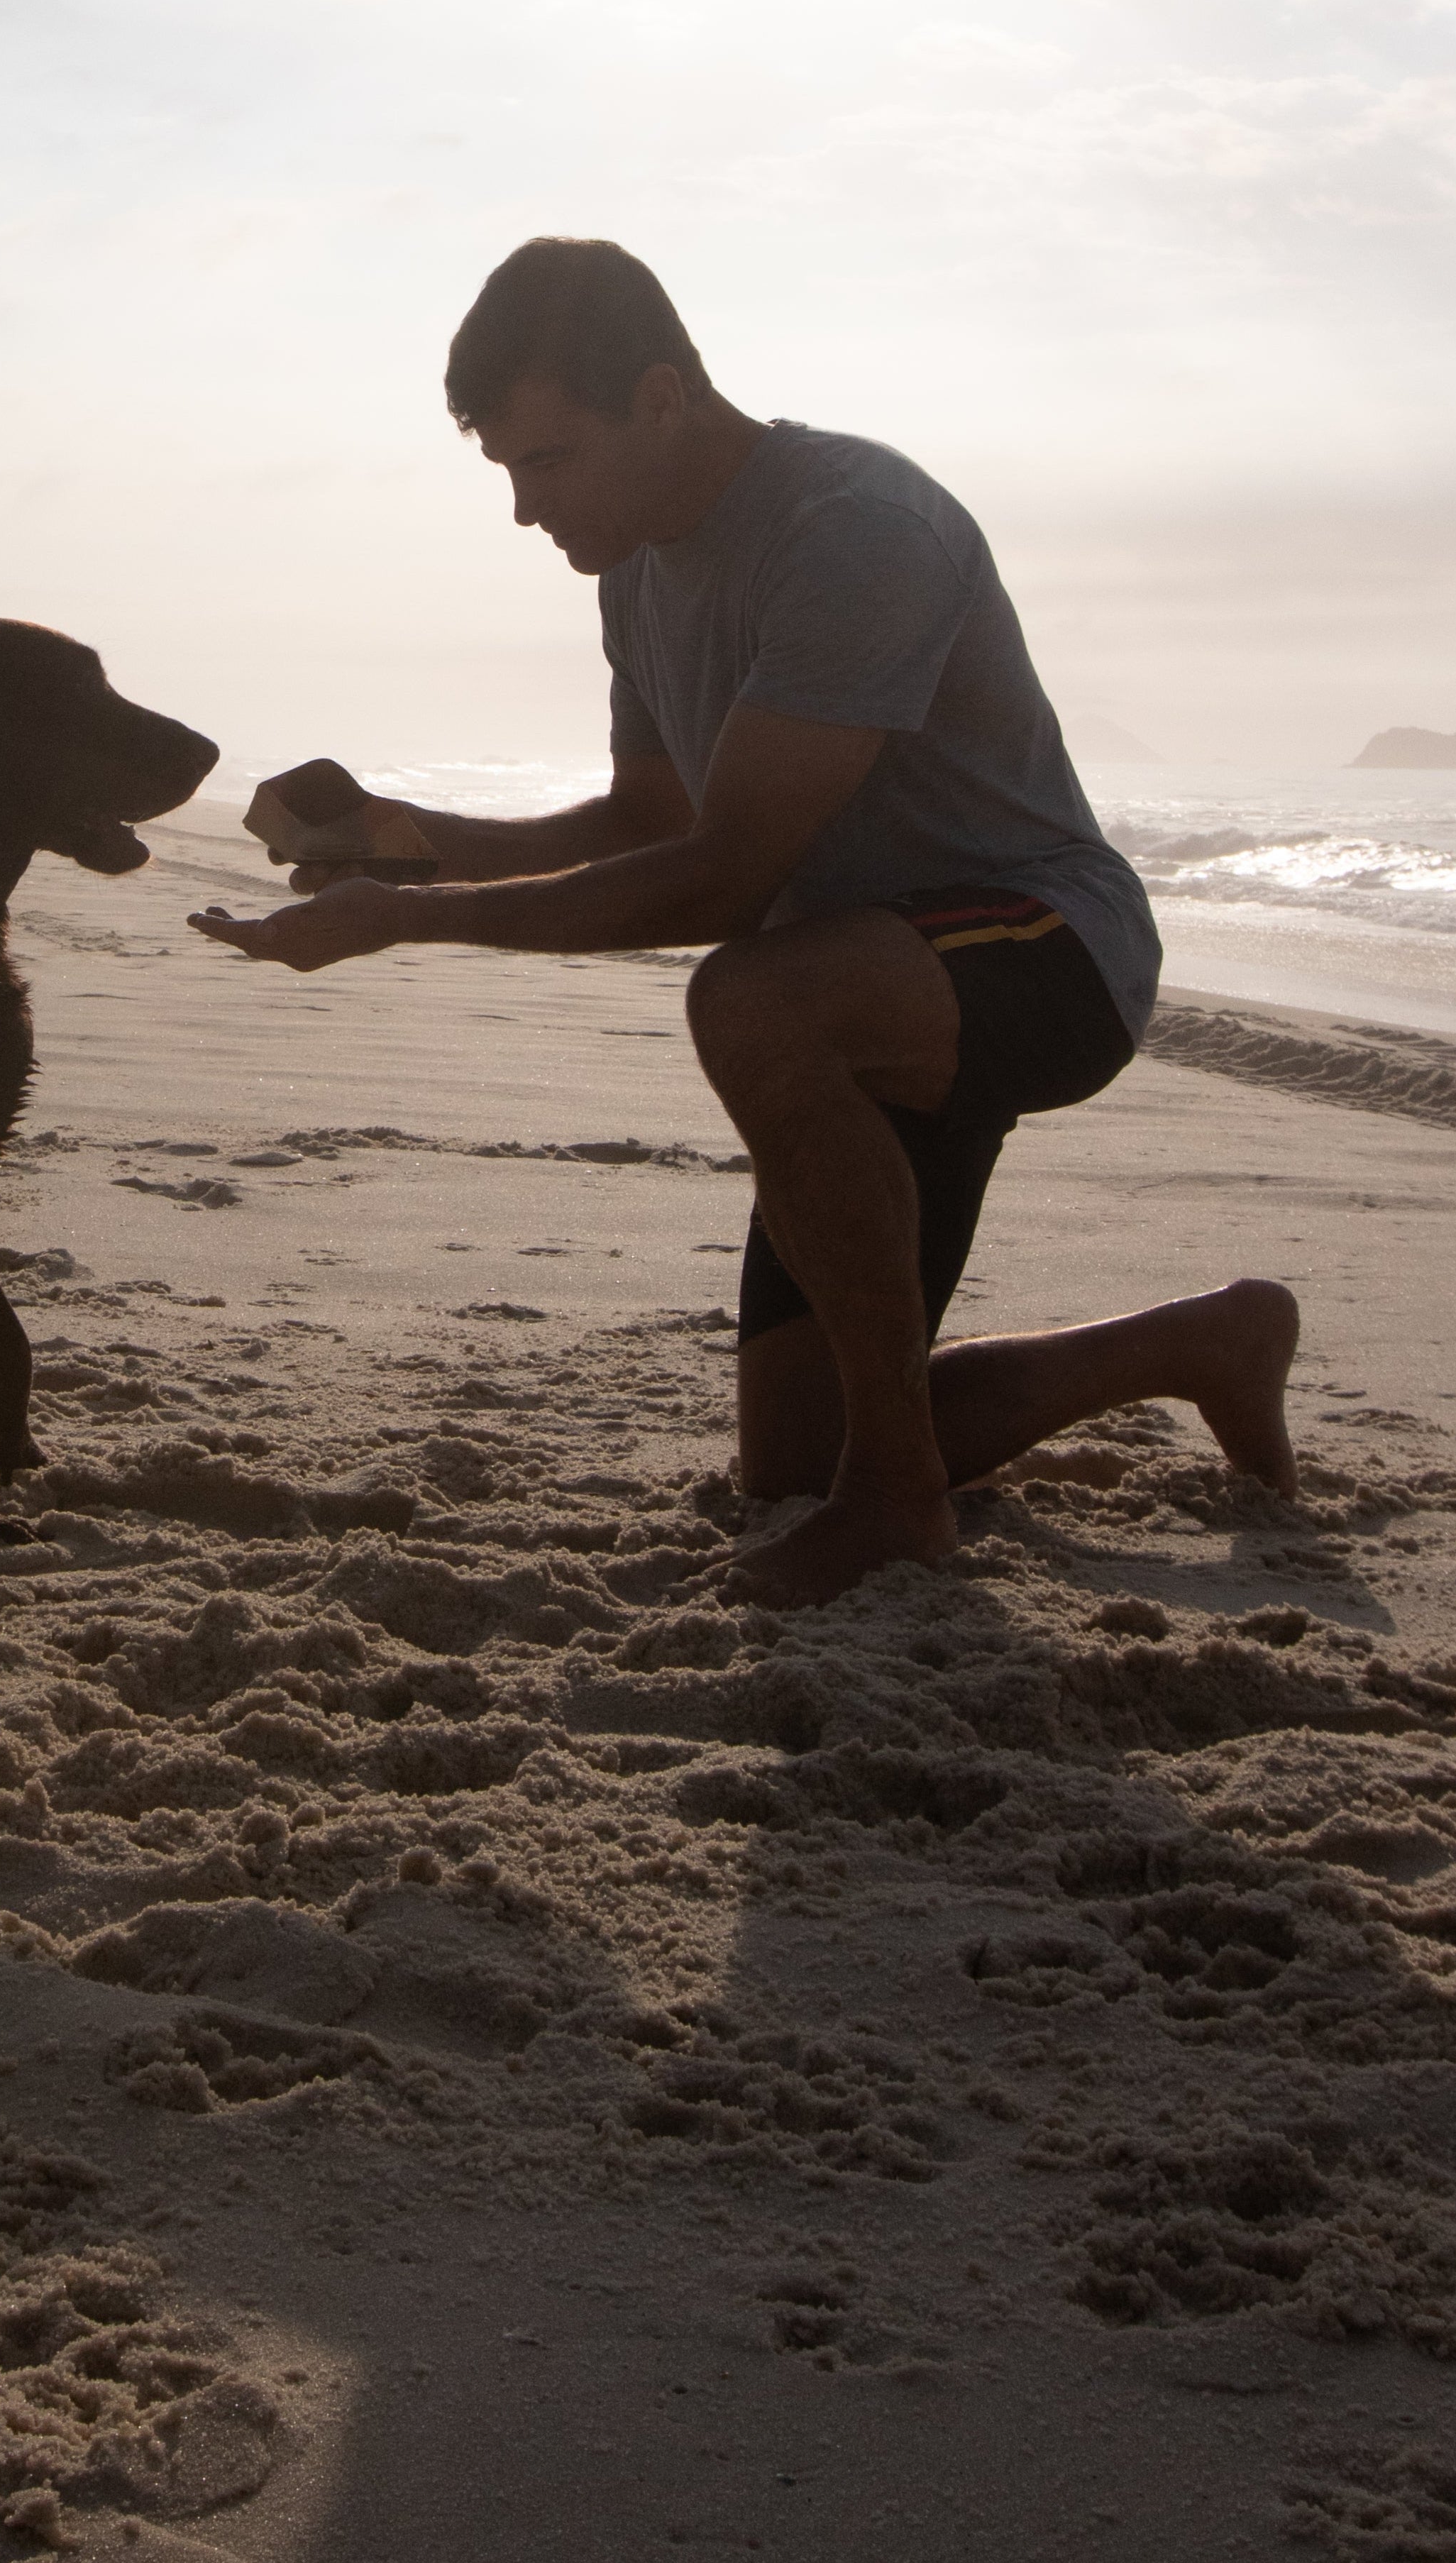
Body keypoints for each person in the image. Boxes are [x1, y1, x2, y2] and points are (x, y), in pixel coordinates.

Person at [190, 235, 1298, 1611]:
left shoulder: (854, 531)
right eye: (507, 472)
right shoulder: (636, 566)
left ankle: (900, 1501)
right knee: (792, 1457)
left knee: (746, 991)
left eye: (549, 460)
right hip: (854, 986)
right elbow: (651, 820)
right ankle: (1204, 1343)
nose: (528, 510)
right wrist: (399, 839)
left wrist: (408, 923)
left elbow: (719, 880)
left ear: (661, 398)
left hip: (1046, 947)